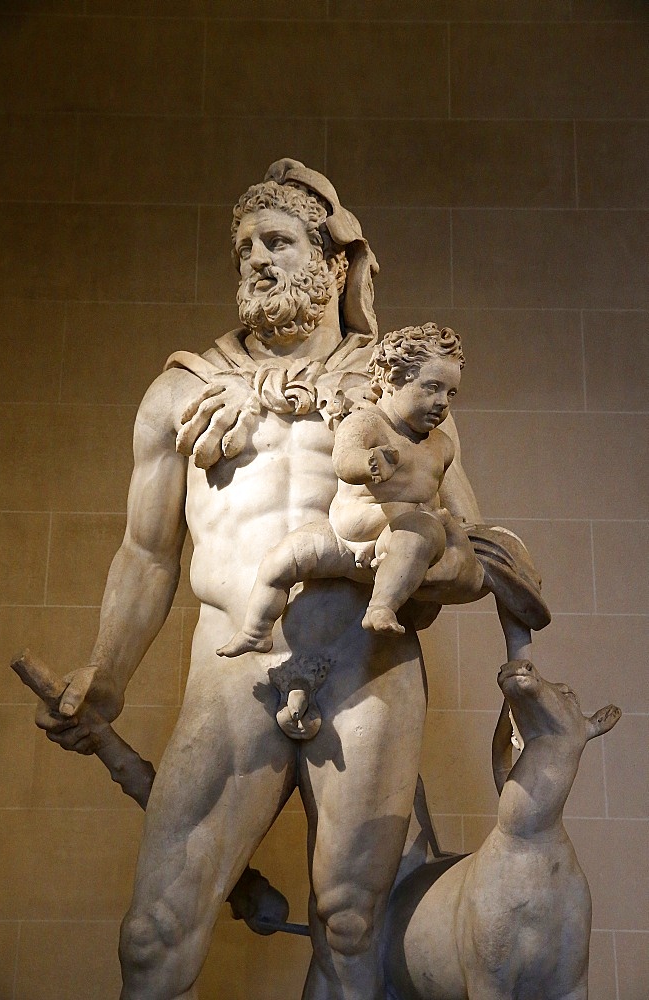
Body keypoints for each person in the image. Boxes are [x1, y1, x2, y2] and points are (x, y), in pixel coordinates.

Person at [35, 159, 546, 1000]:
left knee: (351, 927)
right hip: (236, 667)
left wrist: (435, 564)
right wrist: (108, 672)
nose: (257, 261)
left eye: (277, 242)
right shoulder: (181, 394)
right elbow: (148, 554)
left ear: (333, 265)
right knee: (156, 929)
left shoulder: (397, 383)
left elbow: (463, 541)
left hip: (366, 670)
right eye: (244, 249)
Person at [218, 323, 476, 657]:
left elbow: (443, 503)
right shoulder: (367, 422)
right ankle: (255, 630)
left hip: (397, 539)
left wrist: (450, 532)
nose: (442, 402)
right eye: (432, 388)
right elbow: (343, 460)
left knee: (422, 532)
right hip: (344, 534)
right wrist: (370, 462)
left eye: (450, 393)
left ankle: (382, 606)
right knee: (279, 560)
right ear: (390, 380)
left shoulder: (441, 446)